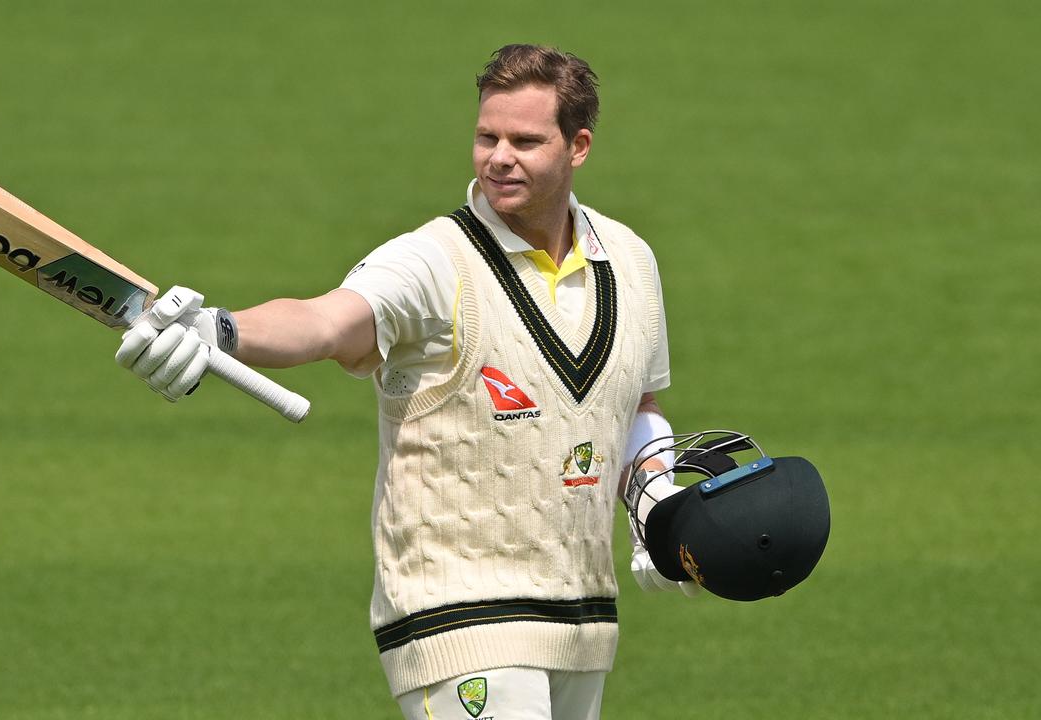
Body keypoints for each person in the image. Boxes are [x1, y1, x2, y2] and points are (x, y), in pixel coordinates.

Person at [115, 44, 697, 720]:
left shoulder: (628, 259)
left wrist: (656, 502)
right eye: (487, 136)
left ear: (579, 146)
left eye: (524, 140)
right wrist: (221, 331)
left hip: (582, 621)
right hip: (456, 613)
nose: (498, 156)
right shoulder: (430, 261)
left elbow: (636, 404)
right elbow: (325, 322)